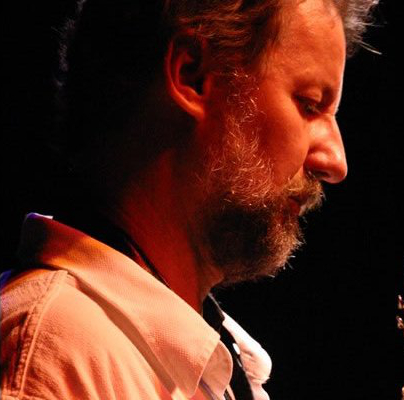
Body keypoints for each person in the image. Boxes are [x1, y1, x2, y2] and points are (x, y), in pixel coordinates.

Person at [1, 0, 377, 399]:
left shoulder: (205, 360)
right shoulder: (55, 356)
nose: (336, 162)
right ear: (191, 75)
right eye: (309, 104)